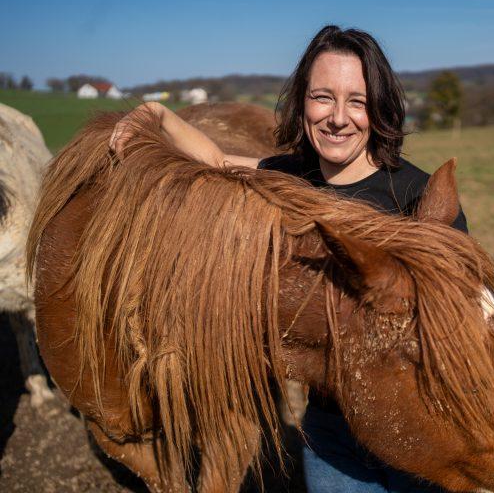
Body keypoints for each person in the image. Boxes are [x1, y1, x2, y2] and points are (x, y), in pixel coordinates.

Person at [110, 25, 466, 493]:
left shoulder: (417, 196)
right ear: (302, 102)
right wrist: (157, 113)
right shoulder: (290, 177)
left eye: (356, 101)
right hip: (331, 433)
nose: (338, 118)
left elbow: (462, 326)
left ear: (378, 108)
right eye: (323, 97)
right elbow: (216, 163)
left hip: (419, 429)